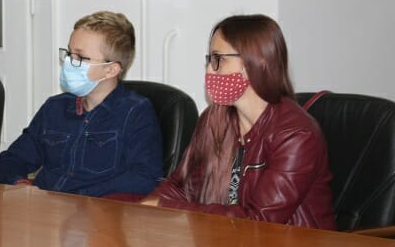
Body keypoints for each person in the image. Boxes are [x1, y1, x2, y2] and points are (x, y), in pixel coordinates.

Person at [142, 14, 334, 228]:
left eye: (218, 59)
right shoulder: (214, 119)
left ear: (257, 63)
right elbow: (181, 188)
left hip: (291, 246)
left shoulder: (296, 135)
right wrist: (145, 209)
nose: (209, 70)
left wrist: (167, 207)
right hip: (228, 241)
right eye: (209, 59)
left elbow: (259, 222)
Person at [0, 11, 162, 197]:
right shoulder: (54, 108)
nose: (68, 63)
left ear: (111, 69)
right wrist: (21, 184)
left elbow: (144, 177)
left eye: (80, 58)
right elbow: (11, 160)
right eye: (69, 54)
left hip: (97, 210)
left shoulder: (135, 112)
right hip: (44, 207)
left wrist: (82, 198)